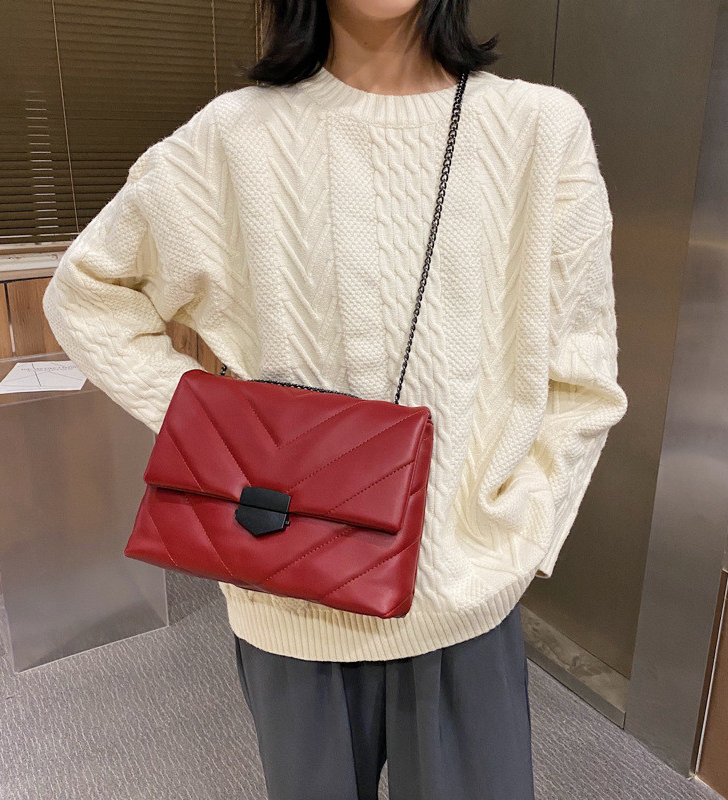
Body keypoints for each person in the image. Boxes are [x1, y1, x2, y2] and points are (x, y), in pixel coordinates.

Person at [42, 0, 628, 797]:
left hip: (468, 597)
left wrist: (524, 527)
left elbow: (582, 372)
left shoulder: (540, 130)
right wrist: (224, 436)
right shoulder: (232, 138)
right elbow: (88, 294)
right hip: (290, 599)